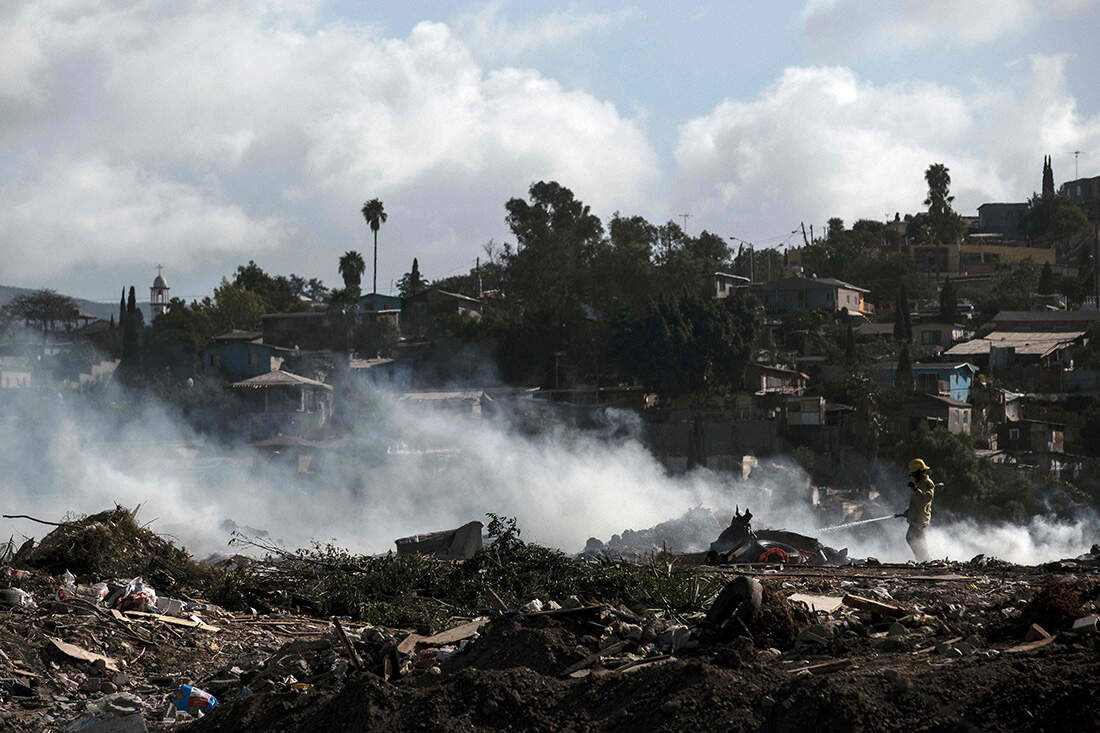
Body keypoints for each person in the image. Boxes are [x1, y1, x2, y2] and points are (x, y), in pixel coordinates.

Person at [895, 458, 935, 562]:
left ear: (920, 472)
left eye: (914, 474)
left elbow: (927, 498)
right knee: (915, 539)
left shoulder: (927, 483)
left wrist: (916, 489)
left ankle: (925, 560)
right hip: (916, 517)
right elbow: (917, 503)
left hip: (921, 518)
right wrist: (907, 512)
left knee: (914, 538)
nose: (913, 477)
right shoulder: (919, 483)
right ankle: (923, 560)